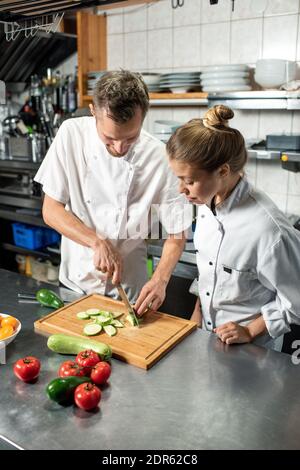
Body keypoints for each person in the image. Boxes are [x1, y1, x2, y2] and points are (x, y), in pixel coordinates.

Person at [34, 70, 191, 315]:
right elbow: (51, 210)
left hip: (131, 292)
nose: (119, 147)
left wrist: (160, 279)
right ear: (93, 111)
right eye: (109, 138)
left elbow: (177, 233)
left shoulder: (161, 157)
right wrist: (96, 242)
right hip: (75, 286)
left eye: (131, 138)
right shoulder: (71, 134)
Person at [166, 104, 300, 350]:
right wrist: (194, 328)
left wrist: (250, 330)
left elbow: (296, 300)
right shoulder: (208, 204)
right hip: (207, 339)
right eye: (179, 179)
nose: (181, 189)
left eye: (189, 181)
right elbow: (209, 272)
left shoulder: (268, 230)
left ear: (223, 171)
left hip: (253, 351)